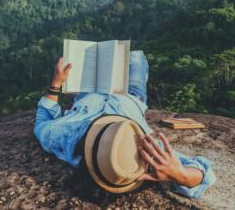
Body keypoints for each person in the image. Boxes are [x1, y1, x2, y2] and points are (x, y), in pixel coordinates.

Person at [34, 51, 216, 198]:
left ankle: (78, 90)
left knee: (88, 57)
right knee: (136, 56)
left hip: (87, 93)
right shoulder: (137, 149)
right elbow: (205, 174)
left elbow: (42, 120)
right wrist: (180, 175)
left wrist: (56, 83)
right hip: (130, 94)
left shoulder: (63, 135)